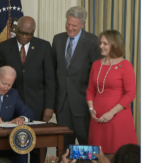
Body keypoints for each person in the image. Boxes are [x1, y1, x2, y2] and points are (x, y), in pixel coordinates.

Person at [0, 16, 56, 163]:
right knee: (12, 146)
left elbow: (50, 79)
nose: (24, 37)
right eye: (21, 32)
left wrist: (49, 106)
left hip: (37, 105)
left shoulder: (44, 46)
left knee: (37, 148)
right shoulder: (5, 46)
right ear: (15, 29)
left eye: (29, 34)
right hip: (11, 105)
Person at [51, 6, 102, 149]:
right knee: (64, 147)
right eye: (68, 24)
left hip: (83, 103)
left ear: (83, 24)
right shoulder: (58, 39)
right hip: (62, 104)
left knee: (86, 145)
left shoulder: (93, 41)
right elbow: (53, 70)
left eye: (74, 25)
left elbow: (97, 74)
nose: (70, 28)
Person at [86, 30, 138, 160]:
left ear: (115, 45)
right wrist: (91, 109)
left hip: (117, 117)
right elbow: (90, 90)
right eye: (101, 43)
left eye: (105, 43)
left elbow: (131, 93)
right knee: (97, 155)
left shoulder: (125, 65)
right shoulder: (96, 64)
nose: (101, 46)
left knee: (117, 155)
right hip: (97, 118)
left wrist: (111, 113)